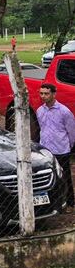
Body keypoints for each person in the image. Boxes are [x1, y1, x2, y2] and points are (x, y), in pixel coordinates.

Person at [36, 83, 75, 212]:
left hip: (61, 149)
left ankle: (70, 201)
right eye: (41, 93)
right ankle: (53, 203)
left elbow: (71, 131)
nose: (43, 96)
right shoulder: (40, 111)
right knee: (49, 177)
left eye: (46, 93)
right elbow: (41, 128)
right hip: (46, 150)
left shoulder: (64, 111)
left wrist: (68, 145)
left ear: (53, 94)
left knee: (65, 177)